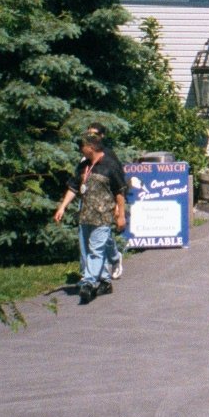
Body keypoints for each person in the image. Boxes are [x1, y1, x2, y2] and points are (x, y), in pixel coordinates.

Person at [52, 133, 127, 304]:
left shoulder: (109, 166)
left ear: (91, 147)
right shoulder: (83, 166)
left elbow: (120, 192)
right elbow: (73, 188)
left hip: (102, 216)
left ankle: (88, 283)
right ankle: (105, 282)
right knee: (89, 249)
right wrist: (62, 207)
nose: (80, 150)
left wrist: (120, 214)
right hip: (85, 216)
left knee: (96, 250)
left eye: (82, 147)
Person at [85, 120, 126, 281]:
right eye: (89, 133)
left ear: (102, 136)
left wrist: (118, 208)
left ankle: (114, 258)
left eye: (95, 134)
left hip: (105, 203)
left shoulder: (108, 155)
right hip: (88, 203)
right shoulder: (86, 155)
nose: (91, 136)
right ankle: (90, 273)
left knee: (104, 235)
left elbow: (119, 183)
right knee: (89, 240)